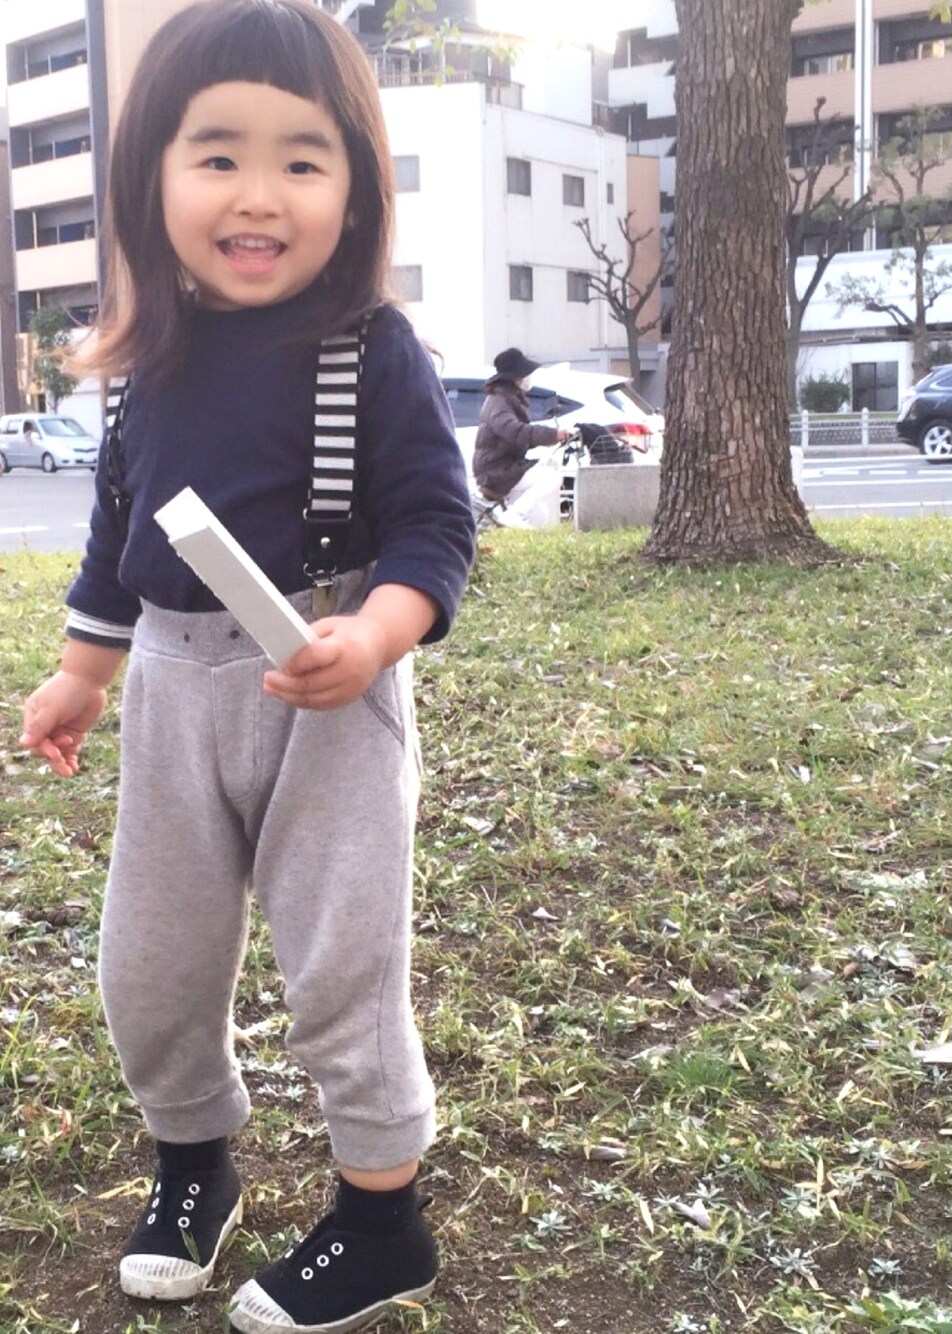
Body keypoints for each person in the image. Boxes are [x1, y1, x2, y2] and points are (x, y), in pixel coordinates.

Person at [19, 4, 475, 1332]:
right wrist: (82, 674)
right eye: (217, 154)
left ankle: (381, 1223)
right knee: (149, 958)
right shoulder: (143, 365)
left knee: (342, 963)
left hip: (324, 682)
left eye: (302, 159)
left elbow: (435, 526)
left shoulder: (370, 350)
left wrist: (373, 634)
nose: (259, 194)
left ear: (357, 188)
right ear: (149, 176)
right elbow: (118, 536)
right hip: (171, 687)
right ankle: (193, 1165)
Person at [472, 348, 569, 528]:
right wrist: (552, 435)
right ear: (516, 377)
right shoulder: (500, 401)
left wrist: (547, 440)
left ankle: (512, 524)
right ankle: (513, 515)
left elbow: (512, 438)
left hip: (502, 468)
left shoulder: (504, 398)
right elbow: (514, 431)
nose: (529, 377)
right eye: (526, 373)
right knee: (551, 477)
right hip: (497, 471)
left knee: (540, 516)